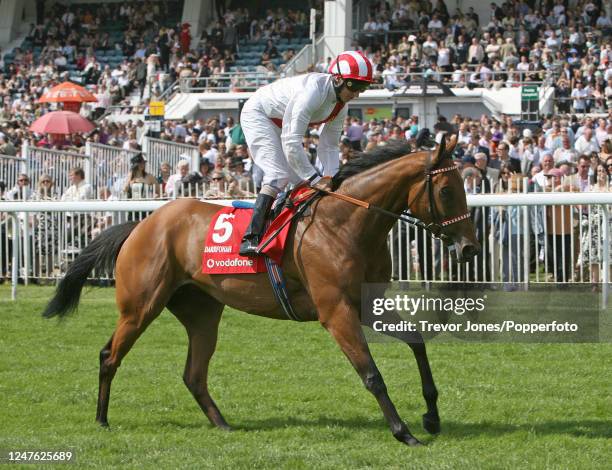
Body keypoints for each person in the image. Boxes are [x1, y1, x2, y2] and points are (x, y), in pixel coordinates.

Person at [238, 50, 375, 256]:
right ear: (337, 79)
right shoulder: (313, 92)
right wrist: (314, 178)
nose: (356, 93)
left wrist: (330, 177)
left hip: (279, 122)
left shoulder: (341, 105)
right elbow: (291, 140)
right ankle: (251, 236)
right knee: (278, 175)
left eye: (363, 88)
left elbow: (329, 146)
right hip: (259, 115)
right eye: (354, 86)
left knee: (300, 184)